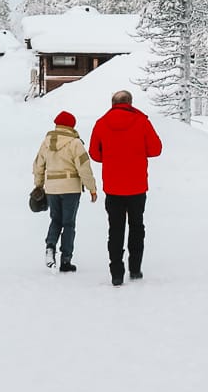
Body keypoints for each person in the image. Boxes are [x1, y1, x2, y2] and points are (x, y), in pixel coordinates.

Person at [88, 87, 163, 284]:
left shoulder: (101, 123)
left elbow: (95, 154)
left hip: (113, 187)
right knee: (137, 226)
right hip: (137, 186)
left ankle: (116, 273)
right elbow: (156, 149)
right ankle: (135, 268)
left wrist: (111, 156)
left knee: (115, 229)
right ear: (130, 103)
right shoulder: (141, 122)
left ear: (113, 104)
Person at [32, 108, 97, 272]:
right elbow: (84, 168)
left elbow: (38, 165)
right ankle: (66, 261)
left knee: (55, 220)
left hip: (52, 188)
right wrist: (92, 188)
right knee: (68, 224)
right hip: (70, 189)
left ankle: (50, 247)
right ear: (72, 126)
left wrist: (39, 186)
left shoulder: (46, 142)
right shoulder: (75, 143)